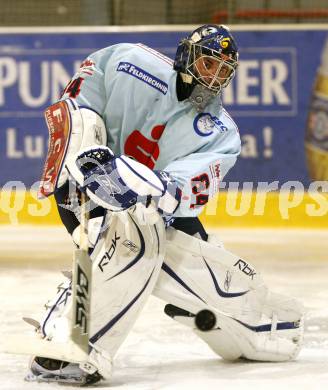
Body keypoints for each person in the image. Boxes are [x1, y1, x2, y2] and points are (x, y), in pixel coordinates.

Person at [26, 24, 304, 385]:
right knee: (135, 240)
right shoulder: (129, 62)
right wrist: (81, 149)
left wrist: (137, 183)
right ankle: (67, 346)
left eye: (225, 71)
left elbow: (180, 191)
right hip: (87, 190)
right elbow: (81, 99)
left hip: (153, 202)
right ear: (187, 56)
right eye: (208, 64)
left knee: (215, 282)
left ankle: (261, 325)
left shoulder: (221, 133)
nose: (215, 78)